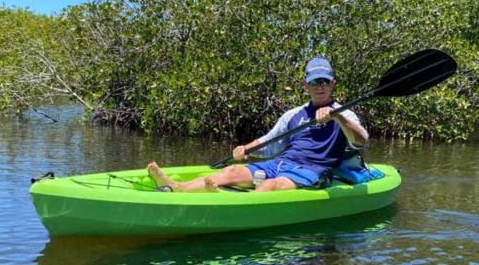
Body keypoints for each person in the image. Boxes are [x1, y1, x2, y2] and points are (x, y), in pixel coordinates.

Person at [147, 57, 369, 192]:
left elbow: (360, 140)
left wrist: (337, 117)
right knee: (231, 170)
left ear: (332, 84)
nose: (319, 87)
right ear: (305, 85)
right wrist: (246, 149)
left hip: (313, 171)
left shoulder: (345, 113)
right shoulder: (294, 115)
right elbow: (268, 142)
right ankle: (177, 188)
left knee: (269, 186)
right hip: (281, 163)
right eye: (314, 82)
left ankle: (227, 206)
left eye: (324, 82)